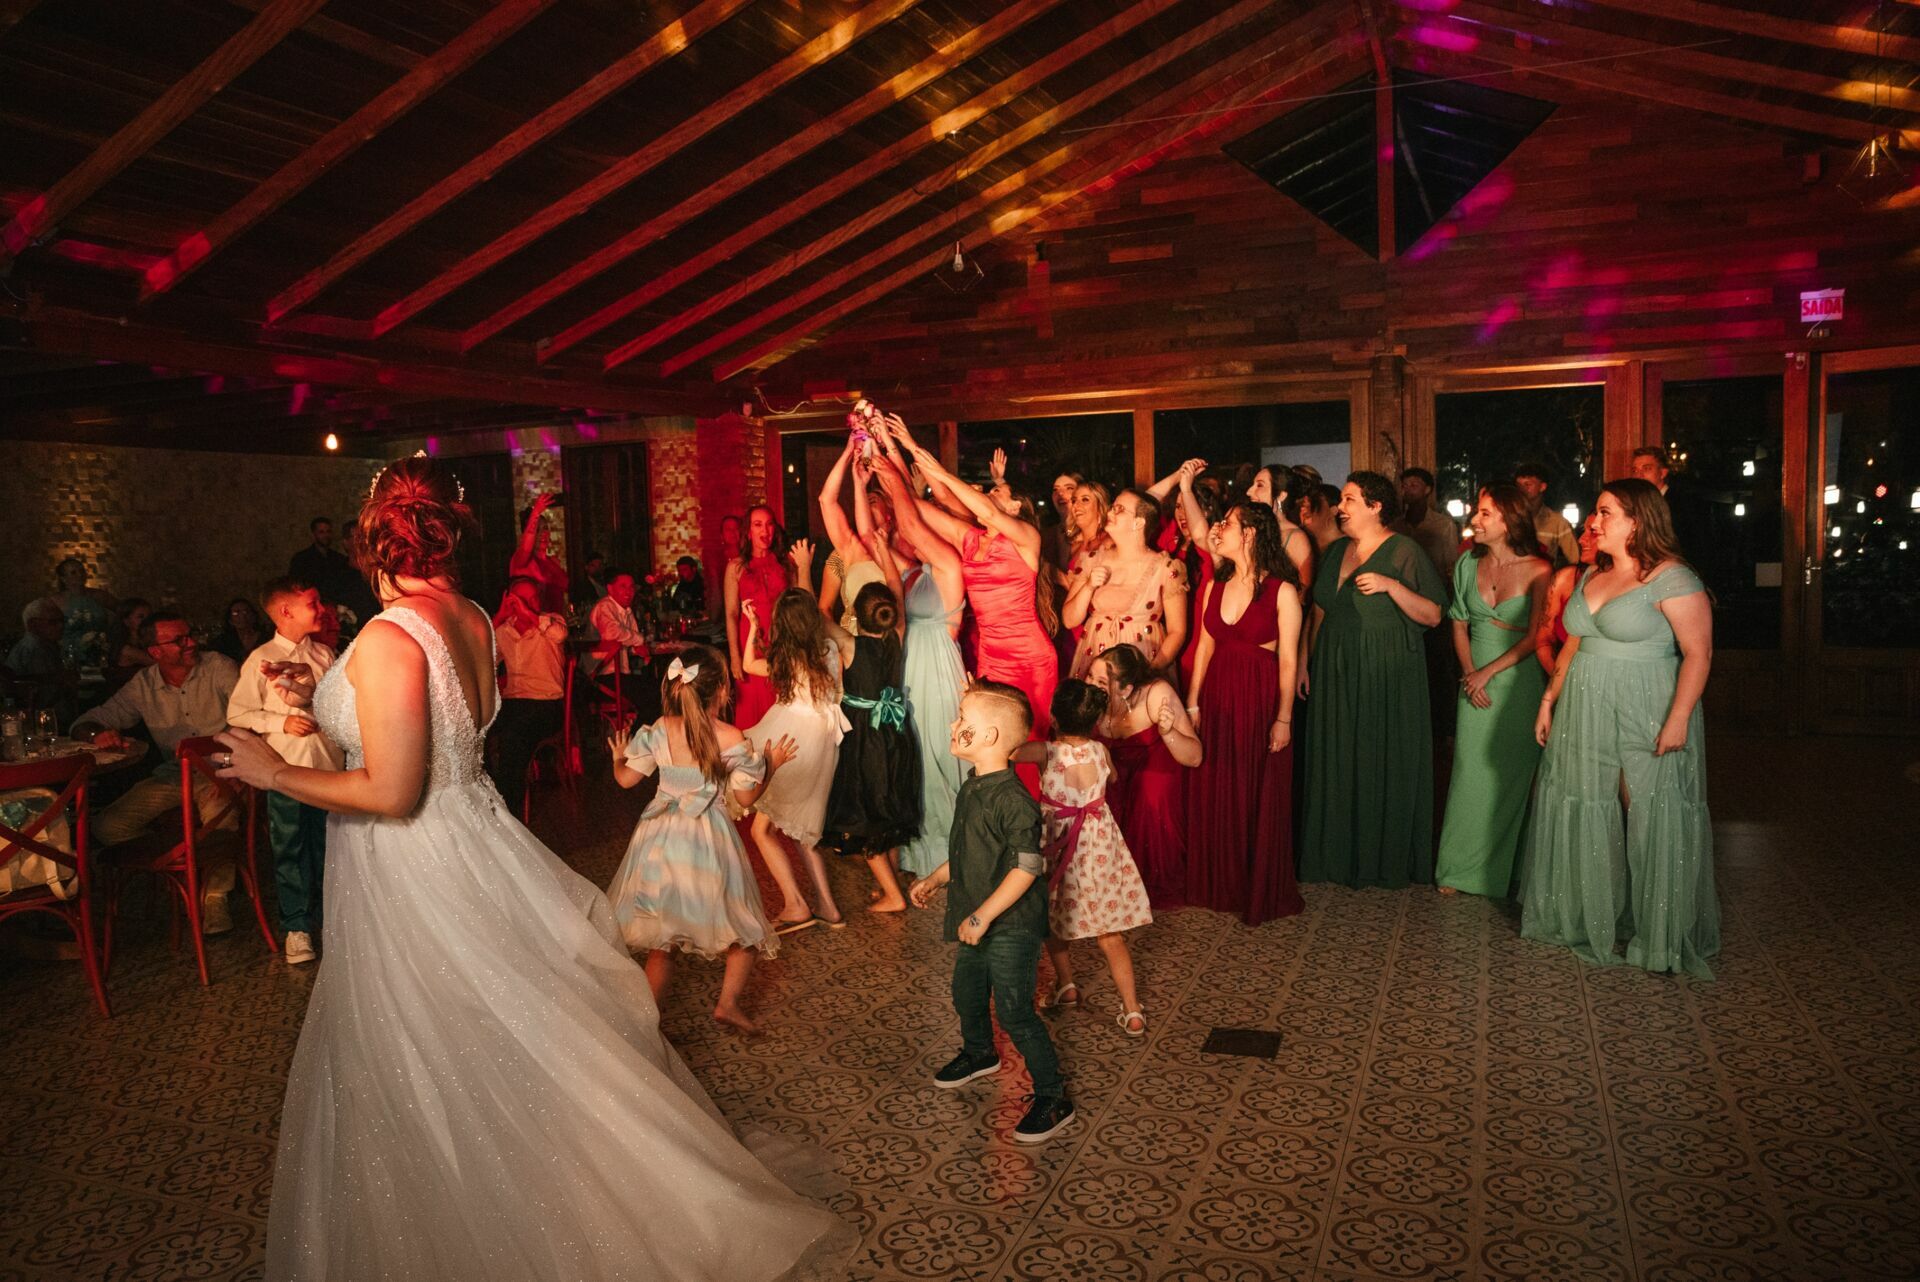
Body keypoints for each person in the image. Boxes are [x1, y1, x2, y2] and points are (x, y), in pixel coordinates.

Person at [212, 456, 851, 1281]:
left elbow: (394, 785)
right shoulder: (470, 613)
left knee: (431, 1041)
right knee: (499, 1027)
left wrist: (274, 772)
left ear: (375, 547)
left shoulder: (387, 635)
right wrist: (316, 706)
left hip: (410, 864)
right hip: (470, 838)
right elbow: (421, 746)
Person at [1522, 479, 1718, 979]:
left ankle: (1661, 935)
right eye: (1595, 511)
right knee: (1582, 801)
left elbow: (1699, 653)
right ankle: (1584, 918)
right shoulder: (1593, 572)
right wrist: (1549, 699)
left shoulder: (1673, 578)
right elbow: (1574, 643)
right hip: (1584, 708)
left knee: (1652, 813)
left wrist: (1677, 721)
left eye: (1605, 512)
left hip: (1647, 707)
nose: (1593, 521)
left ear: (1637, 521)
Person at [909, 681, 1074, 1144]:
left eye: (964, 719)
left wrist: (982, 916)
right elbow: (969, 852)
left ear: (991, 738)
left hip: (1011, 925)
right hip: (977, 920)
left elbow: (1027, 868)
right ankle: (981, 1053)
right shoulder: (974, 786)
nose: (953, 725)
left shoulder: (1012, 798)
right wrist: (938, 878)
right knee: (966, 994)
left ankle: (1052, 1095)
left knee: (1016, 1011)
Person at [609, 648, 798, 1032]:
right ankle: (727, 1004)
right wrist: (771, 766)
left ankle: (648, 1024)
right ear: (723, 691)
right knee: (740, 926)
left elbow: (626, 780)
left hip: (659, 837)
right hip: (707, 838)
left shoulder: (660, 727)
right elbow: (746, 798)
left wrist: (616, 758)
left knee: (663, 941)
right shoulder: (729, 736)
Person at [1299, 472, 1448, 889]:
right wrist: (1305, 662)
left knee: (1377, 754)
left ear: (1375, 506)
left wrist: (1390, 586)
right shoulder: (1335, 552)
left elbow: (1434, 615)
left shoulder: (1404, 551)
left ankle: (1381, 858)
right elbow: (1320, 612)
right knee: (1338, 754)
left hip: (1385, 669)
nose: (1340, 508)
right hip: (1334, 666)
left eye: (1349, 499)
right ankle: (1335, 857)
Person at [888, 418, 1058, 737]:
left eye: (998, 491)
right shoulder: (971, 538)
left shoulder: (1027, 539)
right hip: (990, 653)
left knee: (1027, 740)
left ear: (1016, 507)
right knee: (989, 735)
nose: (989, 495)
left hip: (1028, 657)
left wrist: (940, 472)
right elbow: (918, 508)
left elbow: (989, 513)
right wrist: (896, 449)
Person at [72, 612, 242, 932]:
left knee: (222, 816)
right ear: (155, 652)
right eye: (179, 640)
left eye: (189, 635)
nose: (191, 643)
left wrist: (233, 765)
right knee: (107, 825)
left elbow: (246, 718)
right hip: (174, 774)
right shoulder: (144, 685)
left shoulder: (218, 666)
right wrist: (97, 734)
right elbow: (89, 720)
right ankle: (178, 865)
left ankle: (215, 896)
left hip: (222, 768)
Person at [1186, 501, 1305, 924]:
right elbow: (1204, 646)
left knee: (1255, 789)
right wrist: (1193, 702)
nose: (1220, 528)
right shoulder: (1214, 585)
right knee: (1219, 786)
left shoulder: (1281, 590)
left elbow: (1288, 661)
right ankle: (1223, 881)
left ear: (1251, 532)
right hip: (1218, 695)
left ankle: (1255, 886)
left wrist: (1284, 717)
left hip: (1259, 697)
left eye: (1228, 524)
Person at [1012, 680, 1152, 1036]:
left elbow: (1010, 753)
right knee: (1110, 933)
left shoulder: (1045, 751)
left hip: (1059, 844)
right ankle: (1132, 1010)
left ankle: (1067, 984)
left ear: (1054, 717)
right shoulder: (1100, 752)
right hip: (1099, 847)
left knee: (1052, 918)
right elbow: (1114, 778)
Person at [1434, 486, 1551, 899]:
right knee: (1469, 774)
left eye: (1484, 514)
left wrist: (1488, 673)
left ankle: (1506, 874)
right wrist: (1470, 673)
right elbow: (1459, 622)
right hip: (1473, 680)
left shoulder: (1540, 569)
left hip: (1518, 680)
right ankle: (1459, 868)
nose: (1475, 520)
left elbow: (1537, 635)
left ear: (1508, 519)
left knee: (1511, 777)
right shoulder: (1467, 562)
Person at [225, 579, 343, 965]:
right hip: (286, 771)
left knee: (330, 847)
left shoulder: (325, 655)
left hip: (327, 770)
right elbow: (237, 714)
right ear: (286, 612)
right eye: (313, 602)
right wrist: (282, 723)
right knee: (290, 849)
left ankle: (335, 922)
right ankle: (297, 927)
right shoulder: (260, 659)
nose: (321, 608)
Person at [871, 453, 969, 884]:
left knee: (938, 759)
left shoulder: (949, 567)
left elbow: (908, 524)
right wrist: (866, 471)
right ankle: (923, 847)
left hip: (938, 668)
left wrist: (889, 468)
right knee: (915, 758)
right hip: (911, 667)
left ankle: (953, 853)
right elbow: (872, 537)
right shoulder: (913, 572)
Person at [741, 570, 847, 932]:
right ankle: (828, 908)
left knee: (761, 831)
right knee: (804, 832)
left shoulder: (786, 658)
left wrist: (753, 628)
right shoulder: (829, 649)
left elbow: (746, 665)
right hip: (825, 740)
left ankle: (795, 904)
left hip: (793, 738)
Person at [819, 569, 922, 914]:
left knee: (867, 812)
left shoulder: (851, 645)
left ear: (856, 617)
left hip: (867, 739)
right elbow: (896, 596)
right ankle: (887, 884)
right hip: (896, 734)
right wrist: (885, 558)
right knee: (888, 809)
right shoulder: (897, 635)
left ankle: (894, 896)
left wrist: (804, 568)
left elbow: (820, 614)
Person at [1091, 643, 1199, 911]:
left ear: (1126, 689)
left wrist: (1167, 733)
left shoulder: (1157, 693)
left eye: (1101, 681)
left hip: (1156, 764)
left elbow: (1195, 756)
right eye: (1090, 677)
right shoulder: (1091, 699)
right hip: (1114, 769)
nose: (1091, 685)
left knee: (1150, 791)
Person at [1063, 489, 1188, 680]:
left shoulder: (1165, 568)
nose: (1110, 513)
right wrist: (1088, 586)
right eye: (1112, 507)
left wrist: (1150, 673)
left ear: (1139, 522)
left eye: (1119, 509)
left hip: (1141, 662)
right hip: (1096, 658)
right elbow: (1070, 620)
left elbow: (1177, 631)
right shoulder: (1091, 560)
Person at [489, 576, 570, 816]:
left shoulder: (552, 621)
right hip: (514, 702)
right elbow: (481, 655)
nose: (526, 603)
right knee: (480, 730)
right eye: (520, 600)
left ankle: (508, 810)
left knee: (514, 735)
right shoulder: (504, 630)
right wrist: (499, 617)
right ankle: (492, 798)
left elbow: (560, 635)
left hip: (547, 704)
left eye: (531, 598)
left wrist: (530, 615)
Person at [724, 506, 789, 729]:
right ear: (748, 532)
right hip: (750, 645)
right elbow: (731, 614)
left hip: (780, 641)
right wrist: (734, 656)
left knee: (781, 706)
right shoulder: (736, 567)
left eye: (769, 524)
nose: (765, 530)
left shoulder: (786, 564)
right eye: (758, 524)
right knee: (751, 711)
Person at [1537, 515, 1600, 674]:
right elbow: (1544, 639)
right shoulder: (1566, 579)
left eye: (1592, 532)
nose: (1581, 539)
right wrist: (1560, 683)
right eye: (1583, 530)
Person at [1244, 465, 1317, 591]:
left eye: (1260, 485)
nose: (1249, 491)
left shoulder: (1295, 537)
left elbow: (1303, 591)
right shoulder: (1249, 529)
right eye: (1253, 485)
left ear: (1281, 495)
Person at [588, 572, 651, 710]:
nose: (629, 591)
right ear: (610, 589)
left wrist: (636, 648)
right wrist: (639, 640)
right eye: (623, 586)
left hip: (620, 675)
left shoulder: (626, 610)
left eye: (631, 587)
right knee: (651, 695)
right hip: (601, 679)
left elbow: (629, 641)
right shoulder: (605, 606)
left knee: (657, 688)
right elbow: (612, 633)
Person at [4, 598, 73, 716]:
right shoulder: (34, 649)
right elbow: (45, 696)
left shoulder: (43, 646)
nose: (61, 626)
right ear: (33, 624)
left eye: (62, 621)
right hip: (43, 718)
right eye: (53, 622)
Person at [1393, 468, 1461, 578]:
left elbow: (1452, 564)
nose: (1407, 490)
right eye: (1404, 486)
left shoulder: (1444, 525)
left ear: (1427, 490)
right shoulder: (1396, 525)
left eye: (1413, 486)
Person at [510, 493, 569, 615]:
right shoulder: (521, 560)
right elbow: (526, 547)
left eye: (545, 528)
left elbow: (559, 598)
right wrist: (536, 512)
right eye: (538, 530)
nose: (543, 533)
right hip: (535, 627)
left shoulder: (553, 561)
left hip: (557, 625)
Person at [1515, 462, 1579, 568]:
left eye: (1528, 485)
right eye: (1519, 485)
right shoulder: (1509, 518)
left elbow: (1575, 560)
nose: (1522, 490)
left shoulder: (1556, 522)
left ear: (1542, 486)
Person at [289, 516, 359, 607]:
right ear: (313, 534)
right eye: (321, 532)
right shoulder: (301, 559)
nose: (326, 535)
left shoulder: (338, 558)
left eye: (328, 531)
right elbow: (296, 586)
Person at [211, 596, 270, 663]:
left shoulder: (266, 638)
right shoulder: (224, 641)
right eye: (236, 613)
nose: (242, 616)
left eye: (246, 612)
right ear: (230, 620)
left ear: (253, 615)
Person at [1297, 482, 1343, 554]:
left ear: (1334, 510)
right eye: (1302, 505)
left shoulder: (1348, 549)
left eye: (1314, 503)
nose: (1303, 509)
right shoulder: (1302, 549)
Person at [113, 598, 155, 673]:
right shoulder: (126, 650)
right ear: (126, 621)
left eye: (149, 616)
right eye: (140, 617)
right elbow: (158, 663)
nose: (147, 620)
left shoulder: (145, 643)